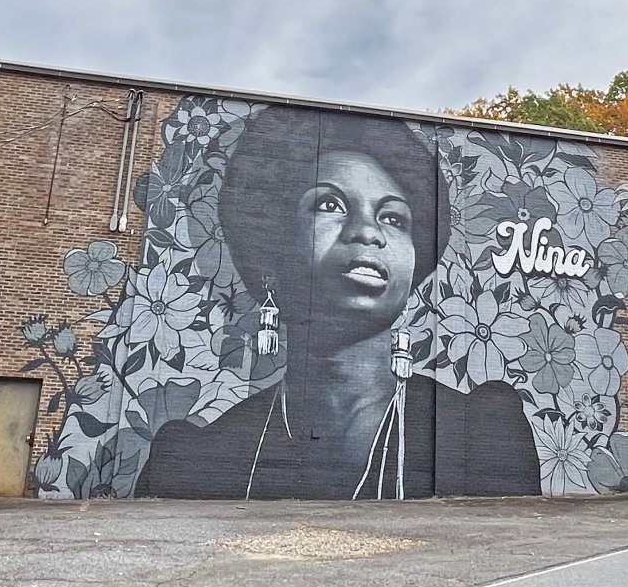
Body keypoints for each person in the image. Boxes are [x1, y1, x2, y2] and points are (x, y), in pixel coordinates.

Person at [135, 106, 540, 500]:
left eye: (394, 218)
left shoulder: (480, 431)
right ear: (271, 251)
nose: (367, 232)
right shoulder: (195, 457)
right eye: (329, 204)